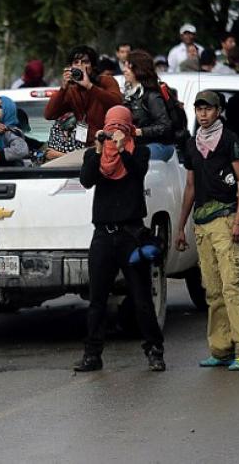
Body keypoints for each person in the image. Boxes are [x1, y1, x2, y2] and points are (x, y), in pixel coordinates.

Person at [73, 106, 165, 372]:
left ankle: (154, 350)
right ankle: (92, 354)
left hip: (130, 234)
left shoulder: (139, 151)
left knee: (141, 297)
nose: (114, 129)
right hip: (103, 234)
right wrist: (100, 150)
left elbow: (138, 173)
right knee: (97, 299)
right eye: (110, 125)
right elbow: (86, 180)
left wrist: (123, 148)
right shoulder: (96, 154)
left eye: (119, 125)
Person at [176, 90, 239, 371]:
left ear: (218, 111)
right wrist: (181, 227)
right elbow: (190, 186)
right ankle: (221, 349)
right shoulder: (192, 144)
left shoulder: (229, 140)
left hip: (225, 218)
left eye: (208, 109)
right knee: (212, 289)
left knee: (232, 285)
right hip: (201, 223)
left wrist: (237, 220)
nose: (203, 114)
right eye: (199, 109)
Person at [43, 45, 123, 146]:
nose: (80, 66)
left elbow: (117, 104)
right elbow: (49, 115)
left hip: (109, 142)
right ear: (70, 67)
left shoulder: (106, 81)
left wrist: (90, 86)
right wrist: (63, 88)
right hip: (86, 145)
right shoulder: (71, 89)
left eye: (85, 62)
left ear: (93, 66)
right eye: (76, 62)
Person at [121, 50, 174, 161]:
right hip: (139, 145)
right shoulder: (128, 94)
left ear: (139, 70)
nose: (124, 70)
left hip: (159, 145)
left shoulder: (152, 96)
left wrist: (140, 131)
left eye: (129, 67)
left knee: (137, 157)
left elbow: (165, 126)